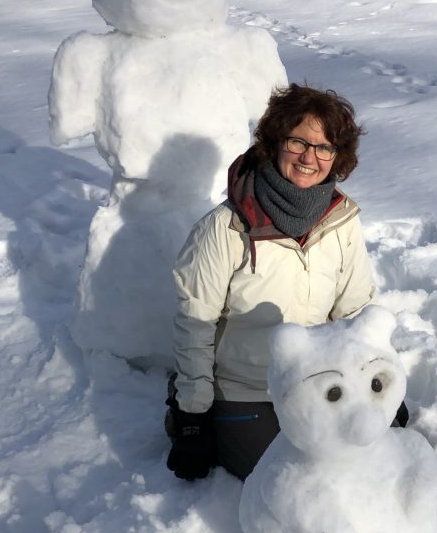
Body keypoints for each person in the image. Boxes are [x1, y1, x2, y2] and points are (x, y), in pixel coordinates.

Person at [165, 82, 407, 482]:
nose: (310, 157)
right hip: (247, 389)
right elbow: (195, 324)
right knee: (289, 480)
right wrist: (193, 415)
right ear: (275, 142)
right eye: (298, 142)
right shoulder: (225, 227)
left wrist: (376, 383)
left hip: (321, 382)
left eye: (324, 147)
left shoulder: (340, 222)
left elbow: (354, 313)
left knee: (363, 468)